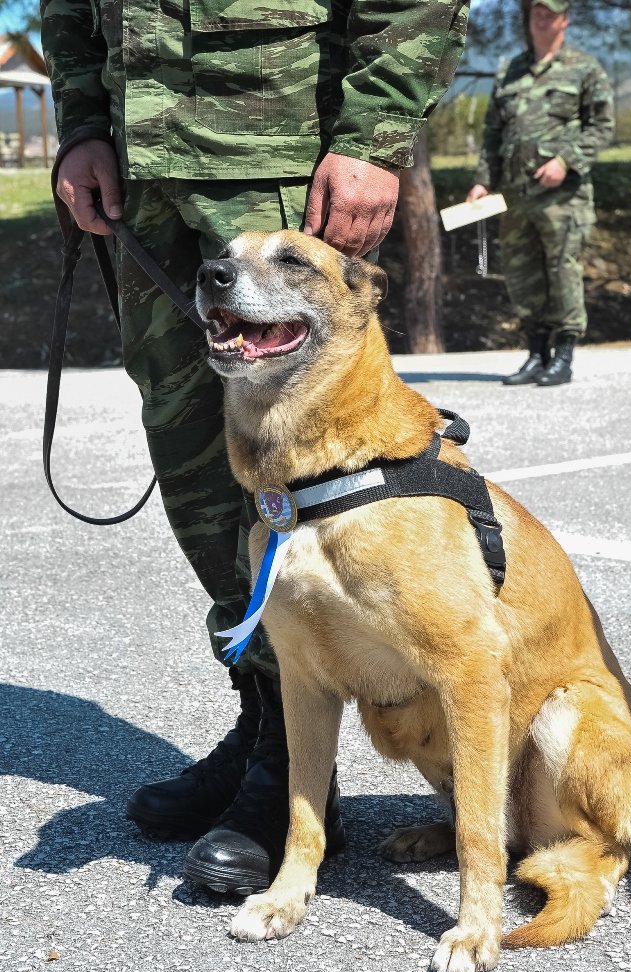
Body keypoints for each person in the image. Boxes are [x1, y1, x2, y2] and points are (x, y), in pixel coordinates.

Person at [41, 0, 470, 895]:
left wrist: (378, 127)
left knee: (306, 466)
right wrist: (82, 121)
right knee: (196, 454)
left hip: (277, 162)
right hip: (139, 170)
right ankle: (266, 723)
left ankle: (291, 786)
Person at [467, 0, 614, 386]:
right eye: (536, 10)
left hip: (562, 196)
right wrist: (484, 179)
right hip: (515, 195)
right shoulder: (511, 69)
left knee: (562, 268)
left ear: (565, 19)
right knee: (521, 272)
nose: (541, 16)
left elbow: (601, 126)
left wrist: (565, 161)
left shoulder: (584, 68)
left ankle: (563, 354)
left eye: (550, 11)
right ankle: (536, 353)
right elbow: (493, 134)